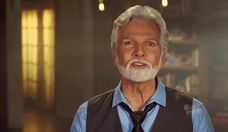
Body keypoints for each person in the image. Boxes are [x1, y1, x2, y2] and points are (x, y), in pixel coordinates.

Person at [70, 5, 214, 132]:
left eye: (150, 44)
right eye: (128, 43)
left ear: (162, 56)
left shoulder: (195, 114)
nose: (139, 52)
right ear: (114, 54)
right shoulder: (86, 115)